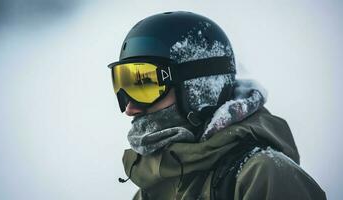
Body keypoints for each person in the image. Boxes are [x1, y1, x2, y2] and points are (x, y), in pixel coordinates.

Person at [108, 11, 326, 200]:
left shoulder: (263, 176)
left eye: (145, 85)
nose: (130, 108)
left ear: (199, 91)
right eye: (124, 83)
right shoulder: (155, 186)